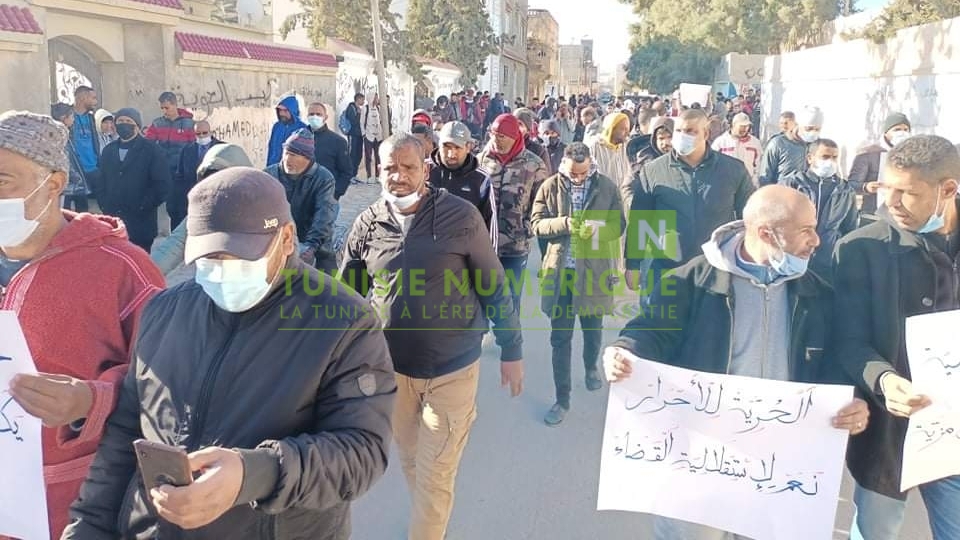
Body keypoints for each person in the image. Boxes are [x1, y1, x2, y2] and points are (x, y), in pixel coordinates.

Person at [63, 167, 395, 539]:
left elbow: (362, 450)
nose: (221, 273)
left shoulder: (344, 322)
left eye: (239, 255)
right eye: (209, 259)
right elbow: (125, 433)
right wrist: (87, 526)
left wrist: (255, 473)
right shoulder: (163, 313)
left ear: (285, 239)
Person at [605, 185, 869, 540]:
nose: (817, 240)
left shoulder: (818, 293)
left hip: (781, 468)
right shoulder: (688, 282)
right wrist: (623, 352)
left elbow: (834, 363)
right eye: (805, 230)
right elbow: (650, 332)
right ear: (765, 233)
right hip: (701, 463)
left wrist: (851, 404)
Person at [340, 133, 523, 540]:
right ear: (379, 171)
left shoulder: (460, 217)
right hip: (394, 370)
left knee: (435, 473)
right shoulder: (368, 223)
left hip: (452, 369)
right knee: (411, 460)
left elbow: (493, 283)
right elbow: (348, 296)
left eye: (408, 167)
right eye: (390, 168)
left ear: (426, 170)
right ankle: (429, 512)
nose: (398, 176)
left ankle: (427, 526)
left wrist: (512, 346)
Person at [0, 110, 164, 539]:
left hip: (75, 510)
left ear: (52, 184)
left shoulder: (125, 271)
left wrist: (91, 402)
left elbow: (171, 383)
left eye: (2, 182)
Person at [832, 135, 960, 540]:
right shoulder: (859, 250)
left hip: (954, 434)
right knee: (876, 531)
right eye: (887, 188)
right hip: (889, 431)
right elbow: (848, 341)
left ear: (949, 190)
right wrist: (885, 381)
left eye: (908, 193)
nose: (892, 202)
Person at [532, 143, 625, 425]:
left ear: (591, 166)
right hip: (560, 275)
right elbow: (536, 223)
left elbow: (618, 224)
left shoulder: (606, 187)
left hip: (594, 273)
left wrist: (597, 229)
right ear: (564, 165)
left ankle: (590, 368)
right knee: (560, 339)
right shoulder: (549, 186)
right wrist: (564, 224)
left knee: (593, 330)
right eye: (573, 173)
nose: (578, 179)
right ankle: (562, 399)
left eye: (583, 174)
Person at [626, 109, 754, 292]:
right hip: (665, 269)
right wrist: (633, 265)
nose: (682, 136)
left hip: (715, 271)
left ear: (706, 133)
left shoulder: (733, 170)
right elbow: (640, 220)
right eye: (678, 131)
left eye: (691, 131)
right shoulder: (653, 171)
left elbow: (749, 219)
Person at [478, 113, 550, 314]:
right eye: (494, 135)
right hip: (484, 244)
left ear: (513, 137)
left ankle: (510, 340)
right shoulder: (481, 160)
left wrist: (527, 227)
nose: (496, 140)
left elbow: (542, 203)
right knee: (482, 295)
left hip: (515, 246)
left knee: (511, 298)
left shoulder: (533, 165)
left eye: (502, 137)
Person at [150, 143, 253, 276]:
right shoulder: (204, 211)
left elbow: (285, 252)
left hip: (257, 288)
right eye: (210, 182)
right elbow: (175, 245)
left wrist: (287, 292)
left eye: (224, 180)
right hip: (213, 285)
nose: (217, 189)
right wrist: (145, 275)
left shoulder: (266, 206)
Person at [780, 138, 857, 283]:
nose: (830, 162)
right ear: (810, 158)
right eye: (825, 157)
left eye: (834, 157)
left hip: (827, 261)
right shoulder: (792, 184)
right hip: (793, 258)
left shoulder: (844, 190)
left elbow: (850, 229)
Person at [95, 108, 170, 252]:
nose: (124, 124)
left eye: (128, 121)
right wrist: (104, 205)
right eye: (120, 121)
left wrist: (143, 206)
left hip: (141, 223)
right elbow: (101, 181)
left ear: (137, 125)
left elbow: (162, 185)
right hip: (114, 221)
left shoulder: (152, 151)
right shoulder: (108, 151)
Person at [264, 129, 337, 274]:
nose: (287, 159)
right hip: (277, 245)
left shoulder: (323, 178)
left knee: (330, 289)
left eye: (293, 155)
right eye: (286, 153)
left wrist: (310, 247)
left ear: (307, 158)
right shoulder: (268, 176)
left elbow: (324, 217)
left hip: (316, 246)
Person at [428, 121, 496, 236]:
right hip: (428, 250)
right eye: (446, 146)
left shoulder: (480, 178)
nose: (451, 154)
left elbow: (490, 223)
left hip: (465, 250)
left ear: (468, 147)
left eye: (457, 147)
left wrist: (489, 254)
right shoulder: (424, 170)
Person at [848, 112, 912, 216]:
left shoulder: (913, 155)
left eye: (906, 130)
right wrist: (866, 187)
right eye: (897, 129)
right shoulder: (869, 153)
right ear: (886, 132)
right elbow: (851, 185)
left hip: (902, 214)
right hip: (873, 213)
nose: (902, 133)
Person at [168, 120, 224, 229]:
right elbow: (180, 177)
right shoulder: (187, 150)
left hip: (215, 199)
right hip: (193, 199)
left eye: (204, 133)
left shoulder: (222, 148)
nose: (202, 136)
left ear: (211, 132)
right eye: (198, 134)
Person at [759, 106, 822, 186]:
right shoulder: (778, 143)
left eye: (817, 129)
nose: (812, 132)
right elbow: (765, 177)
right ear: (797, 124)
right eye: (809, 128)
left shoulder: (816, 145)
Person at [144, 91, 196, 181]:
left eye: (167, 108)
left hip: (182, 171)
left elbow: (194, 147)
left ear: (175, 105)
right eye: (162, 108)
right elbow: (147, 144)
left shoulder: (189, 124)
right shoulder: (157, 123)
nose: (164, 111)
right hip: (162, 170)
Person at [305, 102, 354, 198]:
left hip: (326, 197)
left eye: (318, 114)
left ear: (325, 117)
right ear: (307, 116)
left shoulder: (338, 141)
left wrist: (336, 192)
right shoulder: (297, 138)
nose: (314, 117)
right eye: (311, 114)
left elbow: (346, 171)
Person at [51, 103, 91, 213]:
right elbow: (64, 161)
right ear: (64, 118)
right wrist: (76, 177)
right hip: (68, 185)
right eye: (72, 116)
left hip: (75, 183)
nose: (74, 119)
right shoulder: (58, 136)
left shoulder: (67, 134)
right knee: (65, 213)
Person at [588, 112, 632, 209]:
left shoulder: (628, 146)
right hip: (602, 200)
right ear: (612, 128)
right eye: (623, 129)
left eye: (627, 129)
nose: (627, 133)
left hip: (624, 199)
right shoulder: (594, 146)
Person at [711, 112, 763, 184]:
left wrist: (755, 181)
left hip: (747, 184)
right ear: (733, 125)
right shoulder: (720, 142)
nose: (744, 129)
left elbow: (759, 164)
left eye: (747, 126)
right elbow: (712, 164)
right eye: (742, 126)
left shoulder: (755, 143)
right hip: (726, 184)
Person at [68, 86, 100, 188]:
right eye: (93, 98)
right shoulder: (67, 117)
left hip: (94, 169)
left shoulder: (91, 118)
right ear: (83, 98)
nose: (96, 101)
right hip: (76, 171)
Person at [266, 95, 307, 167]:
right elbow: (271, 148)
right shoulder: (277, 126)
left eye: (285, 111)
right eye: (280, 110)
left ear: (292, 111)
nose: (282, 114)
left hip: (292, 169)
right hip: (274, 167)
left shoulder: (302, 128)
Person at [361, 94, 386, 182]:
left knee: (378, 156)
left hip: (378, 136)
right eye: (375, 98)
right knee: (368, 156)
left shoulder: (378, 108)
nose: (377, 99)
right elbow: (362, 122)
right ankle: (369, 176)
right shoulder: (365, 108)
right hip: (368, 135)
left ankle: (378, 176)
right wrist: (364, 134)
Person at [344, 92, 365, 175]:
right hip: (353, 134)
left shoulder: (358, 108)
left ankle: (355, 174)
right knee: (353, 154)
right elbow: (354, 121)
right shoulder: (351, 108)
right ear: (358, 99)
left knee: (359, 154)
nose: (363, 101)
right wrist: (359, 114)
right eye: (362, 99)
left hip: (359, 135)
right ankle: (350, 174)